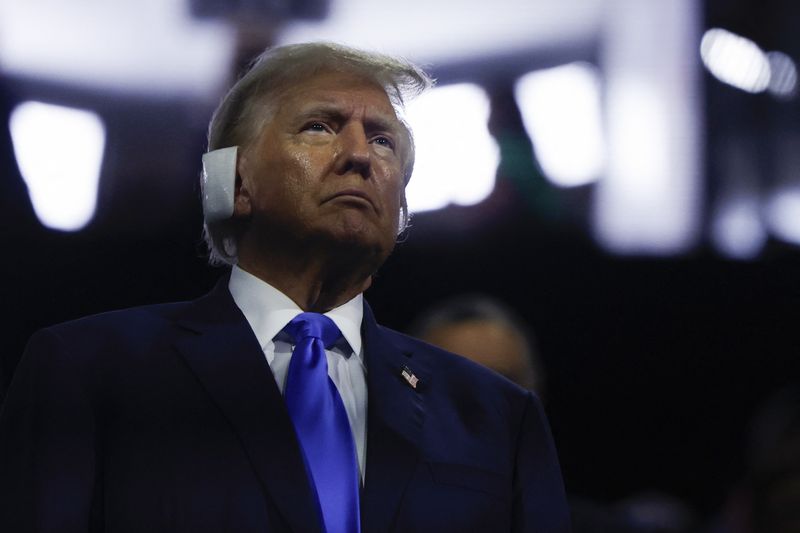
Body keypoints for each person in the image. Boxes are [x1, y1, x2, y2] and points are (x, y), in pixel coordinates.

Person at [0, 42, 570, 533]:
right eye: (319, 127)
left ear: (400, 206)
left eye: (383, 142)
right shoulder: (89, 373)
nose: (357, 156)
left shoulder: (495, 414)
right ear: (236, 183)